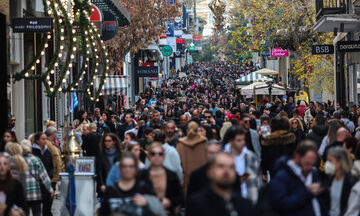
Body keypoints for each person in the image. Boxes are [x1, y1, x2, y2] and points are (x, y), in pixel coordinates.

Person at [269, 141, 329, 216]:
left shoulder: (313, 173)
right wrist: (307, 193)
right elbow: (280, 204)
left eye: (312, 164)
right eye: (307, 163)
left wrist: (323, 190)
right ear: (297, 156)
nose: (310, 167)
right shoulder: (282, 177)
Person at [186, 152, 254, 216]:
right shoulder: (196, 205)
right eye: (221, 166)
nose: (226, 171)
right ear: (210, 171)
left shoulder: (245, 205)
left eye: (231, 167)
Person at [99, 153, 166, 216]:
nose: (127, 169)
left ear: (136, 169)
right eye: (124, 166)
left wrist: (147, 202)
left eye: (131, 166)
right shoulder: (110, 190)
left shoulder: (144, 188)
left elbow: (159, 211)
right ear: (119, 168)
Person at [224, 125, 263, 204]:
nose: (242, 143)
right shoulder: (222, 158)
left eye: (243, 140)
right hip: (228, 202)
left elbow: (258, 181)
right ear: (231, 141)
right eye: (239, 140)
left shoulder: (251, 157)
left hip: (250, 199)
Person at [146, 143, 184, 214]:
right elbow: (137, 193)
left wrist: (170, 202)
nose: (157, 156)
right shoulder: (142, 175)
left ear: (164, 156)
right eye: (153, 154)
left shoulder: (171, 175)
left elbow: (179, 196)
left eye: (160, 154)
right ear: (148, 156)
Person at [20, 140, 54, 216]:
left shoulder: (17, 160)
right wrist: (50, 189)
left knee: (24, 213)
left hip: (22, 192)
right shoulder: (36, 160)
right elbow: (44, 176)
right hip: (35, 193)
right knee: (37, 212)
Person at [325, 147, 357, 216]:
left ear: (339, 162)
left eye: (330, 161)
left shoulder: (351, 182)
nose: (327, 164)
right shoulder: (330, 178)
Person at [177, 121, 207, 189]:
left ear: (187, 130)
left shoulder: (180, 144)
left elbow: (178, 164)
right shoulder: (204, 142)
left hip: (186, 179)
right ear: (197, 130)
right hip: (202, 179)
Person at [32, 132, 54, 216]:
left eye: (46, 139)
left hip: (47, 181)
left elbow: (51, 166)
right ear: (37, 141)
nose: (45, 141)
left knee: (47, 205)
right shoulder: (33, 152)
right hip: (37, 183)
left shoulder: (47, 151)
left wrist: (50, 175)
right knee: (37, 208)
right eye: (43, 139)